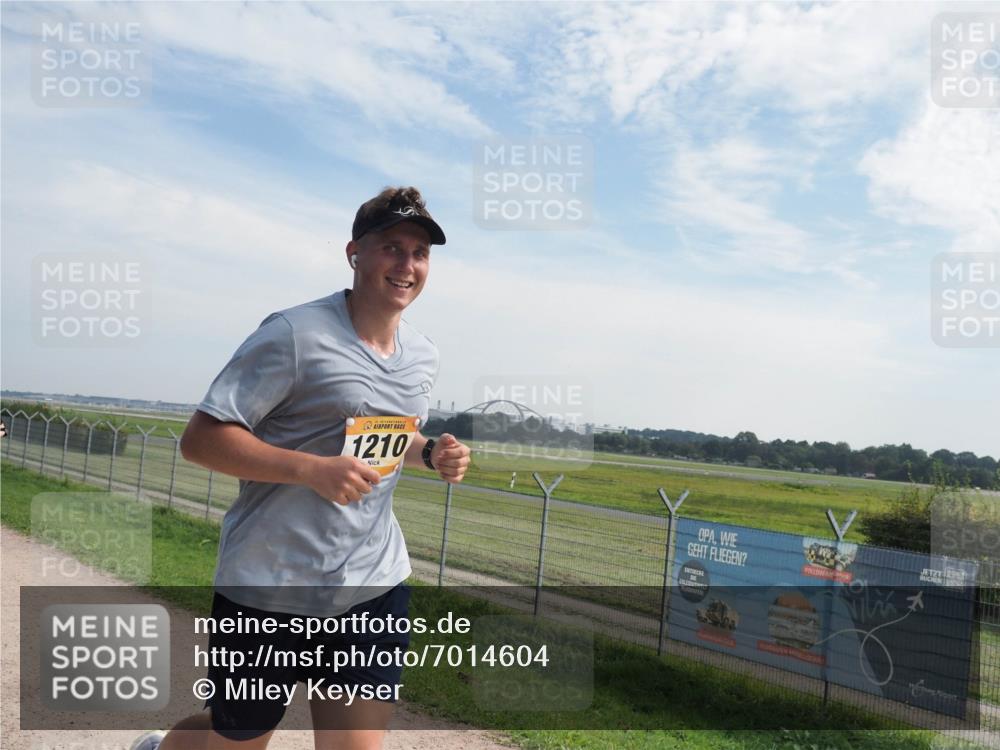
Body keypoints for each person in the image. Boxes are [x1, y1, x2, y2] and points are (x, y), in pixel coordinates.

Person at [132, 187, 471, 750]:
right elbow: (203, 439)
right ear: (354, 253)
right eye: (391, 247)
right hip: (269, 588)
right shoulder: (294, 335)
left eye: (420, 252)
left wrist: (430, 451)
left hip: (371, 584)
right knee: (237, 742)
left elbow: (386, 432)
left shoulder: (422, 355)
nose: (407, 265)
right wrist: (311, 470)